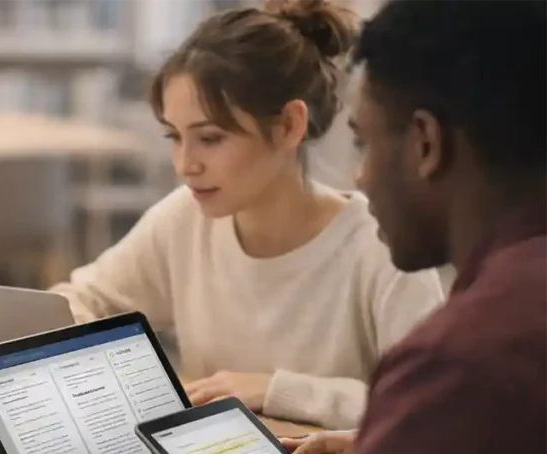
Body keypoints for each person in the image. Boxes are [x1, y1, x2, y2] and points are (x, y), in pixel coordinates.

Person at [164, 0, 547, 454]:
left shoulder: (462, 359)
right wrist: (399, 451)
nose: (359, 175)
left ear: (425, 142)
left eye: (365, 143)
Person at [49, 0, 444, 430]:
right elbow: (81, 300)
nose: (185, 164)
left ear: (289, 125)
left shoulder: (380, 245)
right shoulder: (185, 219)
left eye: (211, 138)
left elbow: (433, 404)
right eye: (174, 137)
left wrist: (276, 391)